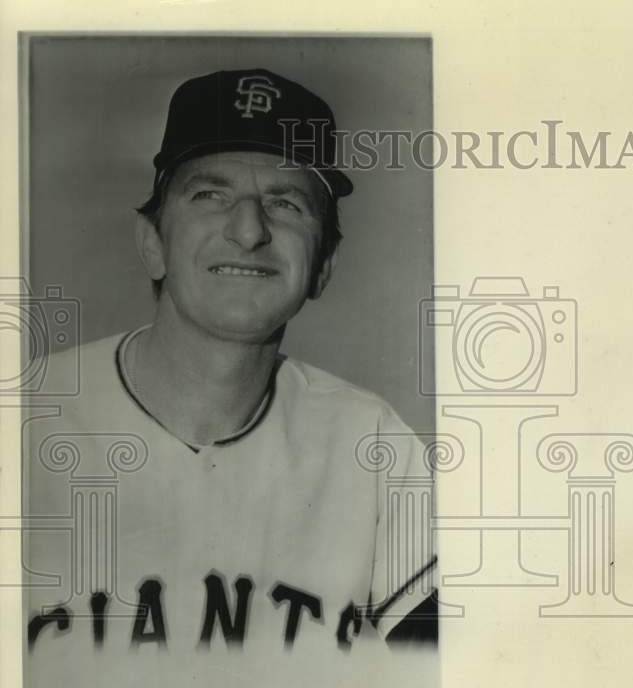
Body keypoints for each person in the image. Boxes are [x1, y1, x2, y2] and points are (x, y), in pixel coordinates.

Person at [24, 68, 437, 654]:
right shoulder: (24, 421)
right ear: (153, 243)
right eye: (210, 194)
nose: (248, 231)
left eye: (286, 202)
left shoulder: (372, 445)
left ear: (323, 264)